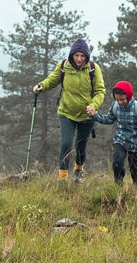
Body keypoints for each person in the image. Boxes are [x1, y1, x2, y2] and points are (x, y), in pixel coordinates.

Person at [33, 39, 106, 183]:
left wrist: (94, 105)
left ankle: (78, 171)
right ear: (72, 55)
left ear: (86, 56)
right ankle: (63, 179)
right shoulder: (63, 66)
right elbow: (52, 80)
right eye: (76, 55)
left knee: (80, 145)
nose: (79, 59)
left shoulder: (93, 68)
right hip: (66, 113)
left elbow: (100, 91)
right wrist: (41, 86)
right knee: (66, 143)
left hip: (87, 115)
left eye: (82, 56)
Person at [87, 81, 137, 186]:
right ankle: (118, 187)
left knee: (135, 171)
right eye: (117, 99)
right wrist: (94, 115)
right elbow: (108, 120)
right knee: (117, 162)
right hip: (120, 139)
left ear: (129, 96)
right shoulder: (115, 106)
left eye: (122, 99)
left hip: (136, 143)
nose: (120, 102)